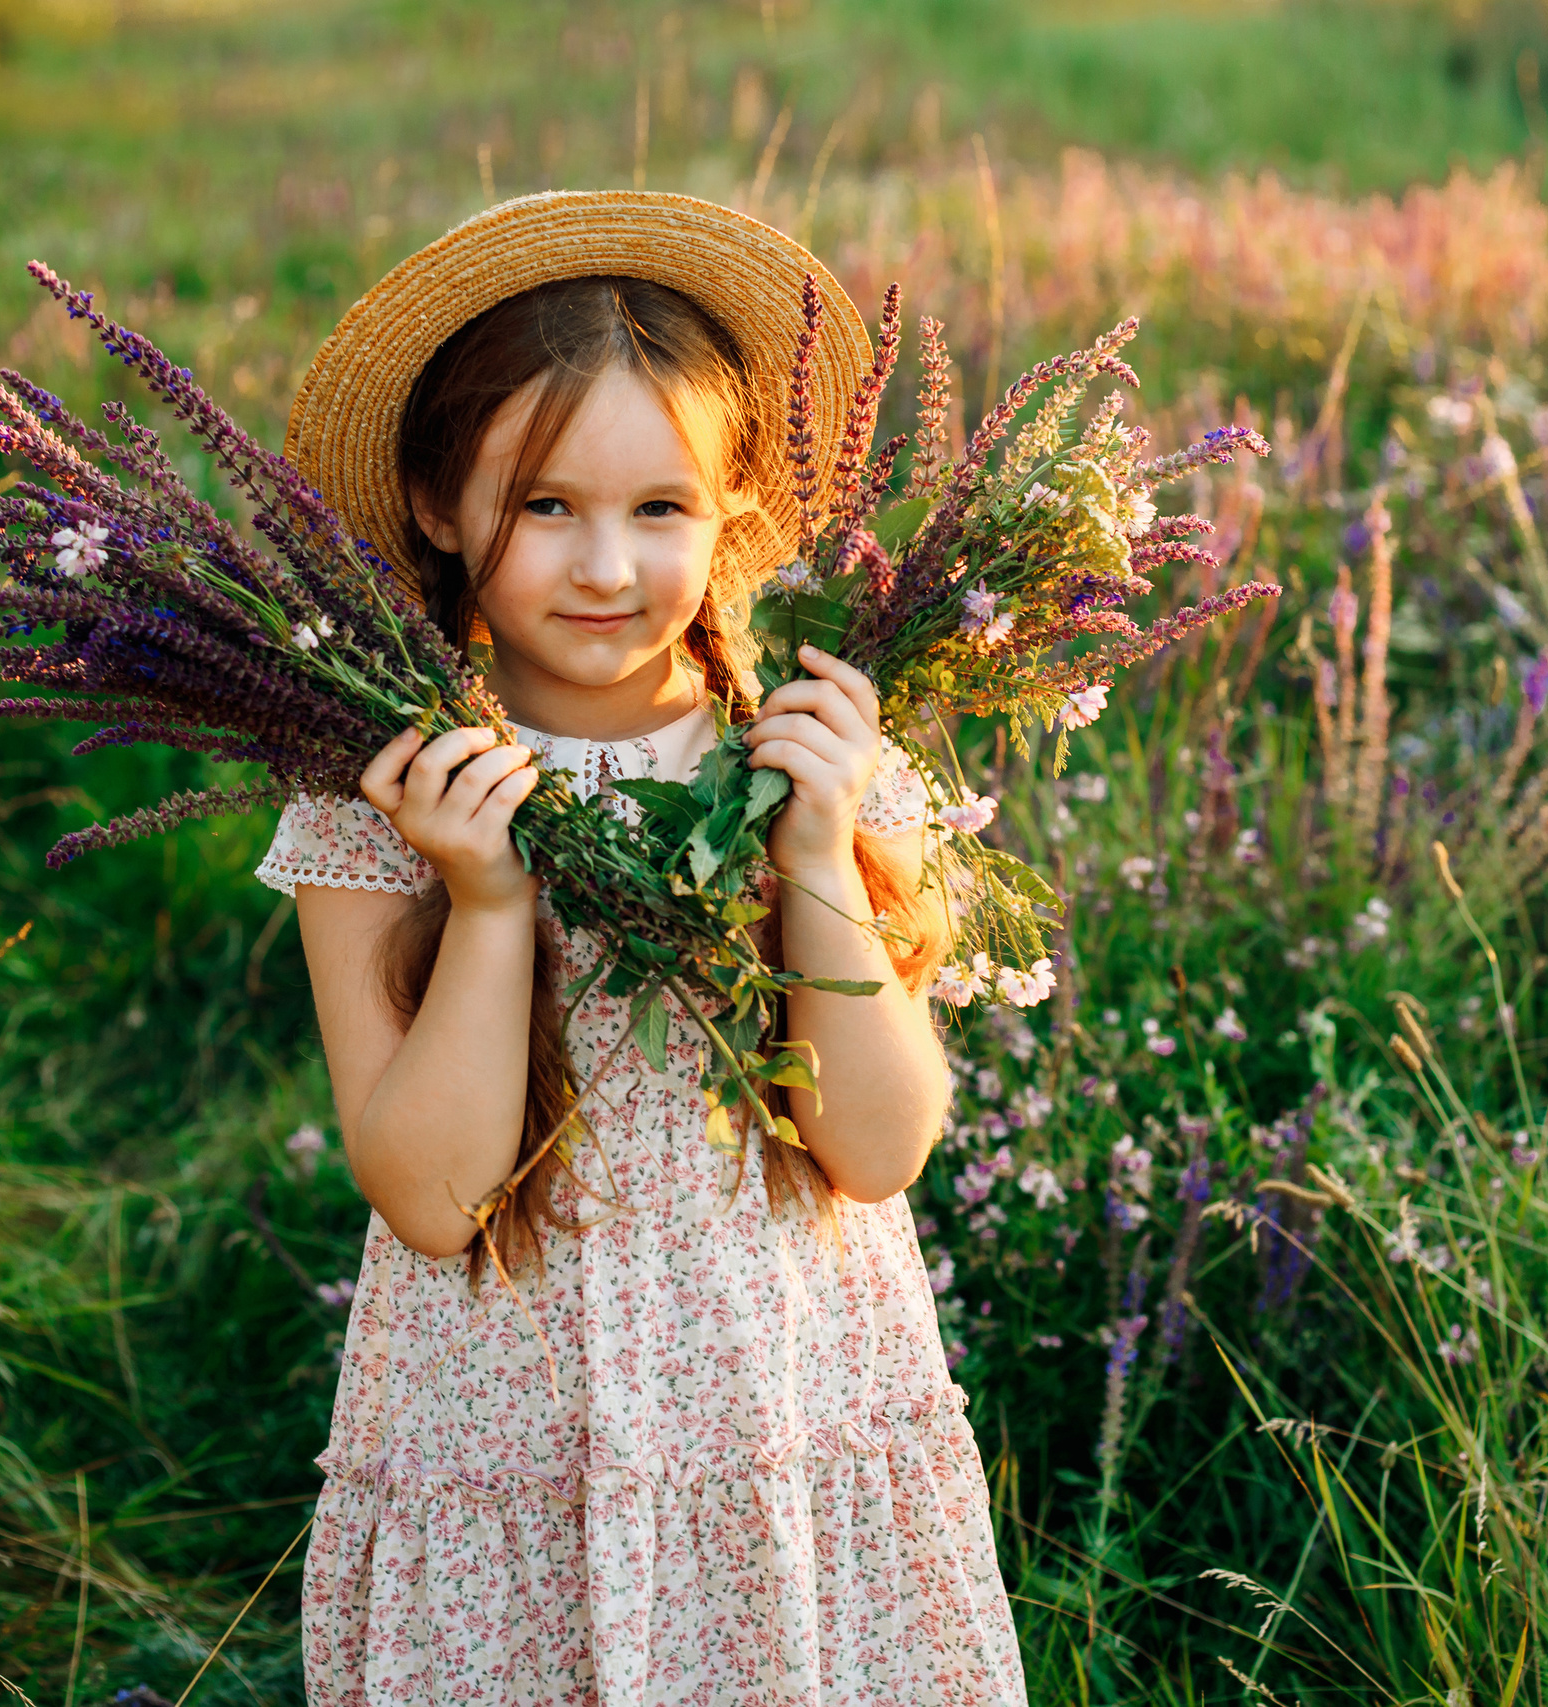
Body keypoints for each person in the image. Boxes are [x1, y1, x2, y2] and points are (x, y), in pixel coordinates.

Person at [253, 190, 1026, 1705]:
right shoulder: (384, 799)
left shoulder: (805, 757)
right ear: (437, 505)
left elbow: (876, 1149)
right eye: (545, 506)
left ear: (731, 508)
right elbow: (433, 1198)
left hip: (786, 1409)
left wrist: (817, 853)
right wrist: (489, 906)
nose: (606, 566)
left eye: (660, 508)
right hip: (507, 1429)